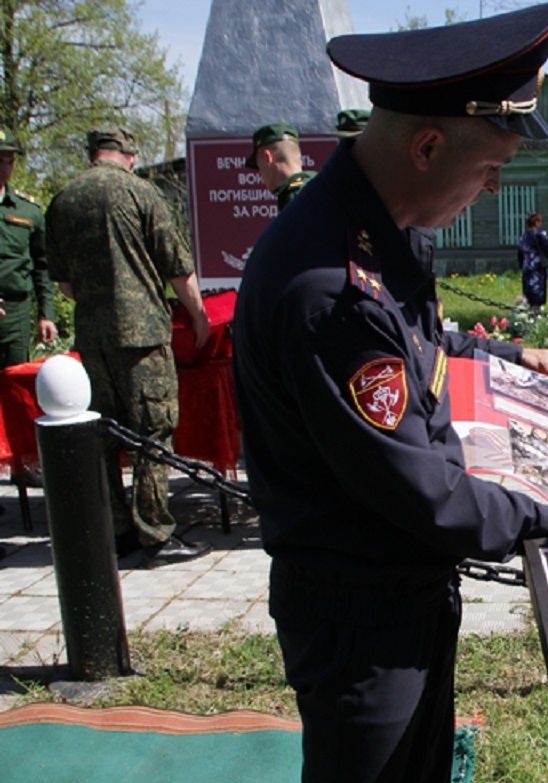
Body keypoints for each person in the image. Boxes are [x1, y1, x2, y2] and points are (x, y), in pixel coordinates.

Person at [231, 7, 548, 783]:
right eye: (490, 170)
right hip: (359, 609)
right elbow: (426, 495)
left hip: (397, 586)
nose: (494, 190)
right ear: (428, 146)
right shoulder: (331, 287)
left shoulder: (380, 228)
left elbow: (421, 349)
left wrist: (514, 355)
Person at [45, 125, 212, 566]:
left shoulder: (63, 201)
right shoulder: (140, 193)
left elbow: (64, 285)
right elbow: (178, 269)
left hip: (92, 338)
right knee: (152, 429)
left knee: (101, 435)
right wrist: (197, 316)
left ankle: (116, 531)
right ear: (130, 155)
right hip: (142, 337)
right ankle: (155, 534)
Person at [0, 127, 56, 366]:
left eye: (9, 161)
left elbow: (42, 266)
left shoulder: (28, 211)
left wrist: (46, 315)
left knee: (14, 384)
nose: (4, 168)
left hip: (16, 313)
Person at [246, 123, 316, 212]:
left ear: (268, 157)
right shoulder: (319, 187)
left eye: (260, 168)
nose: (262, 179)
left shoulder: (295, 199)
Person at [518, 211, 548, 312]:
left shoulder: (523, 236)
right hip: (538, 268)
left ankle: (528, 314)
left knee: (528, 293)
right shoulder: (540, 235)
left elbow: (520, 253)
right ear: (537, 222)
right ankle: (535, 314)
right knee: (537, 294)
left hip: (526, 268)